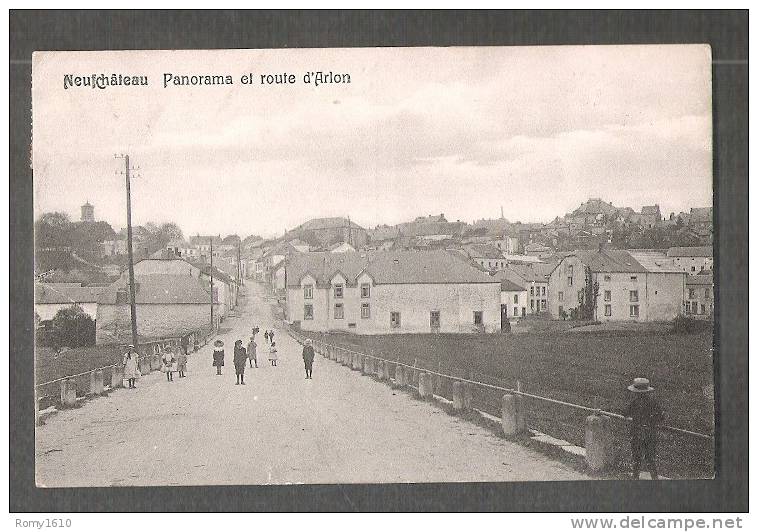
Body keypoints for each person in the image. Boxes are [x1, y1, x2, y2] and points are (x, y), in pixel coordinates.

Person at [625, 377, 664, 480]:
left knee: (636, 459)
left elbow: (625, 413)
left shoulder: (634, 402)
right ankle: (655, 480)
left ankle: (635, 479)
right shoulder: (653, 403)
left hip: (637, 433)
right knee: (650, 459)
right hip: (650, 433)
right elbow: (660, 417)